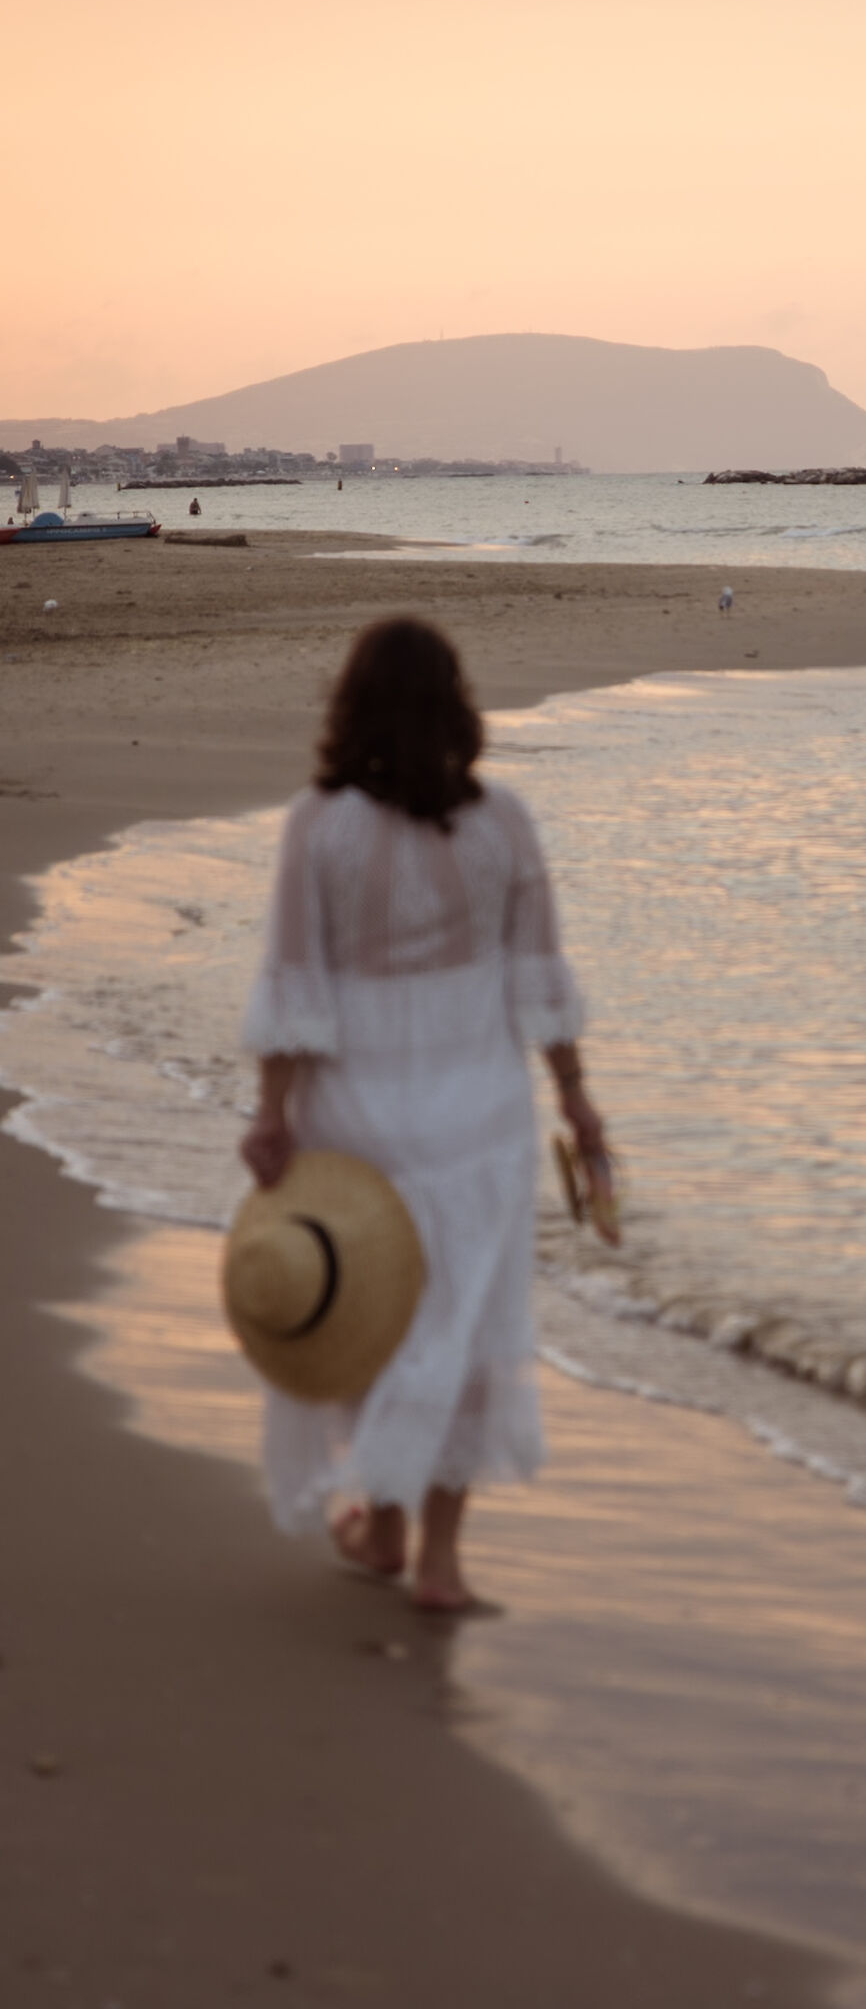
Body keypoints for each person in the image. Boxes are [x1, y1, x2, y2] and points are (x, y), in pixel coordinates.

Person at [237, 616, 606, 1612]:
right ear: (456, 707)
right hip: (479, 1112)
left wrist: (270, 1117)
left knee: (376, 1312)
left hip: (357, 1111)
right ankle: (435, 1557)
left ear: (349, 706)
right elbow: (538, 984)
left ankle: (382, 1526)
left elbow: (294, 991)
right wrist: (575, 1097)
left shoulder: (321, 825)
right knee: (467, 1324)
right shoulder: (503, 823)